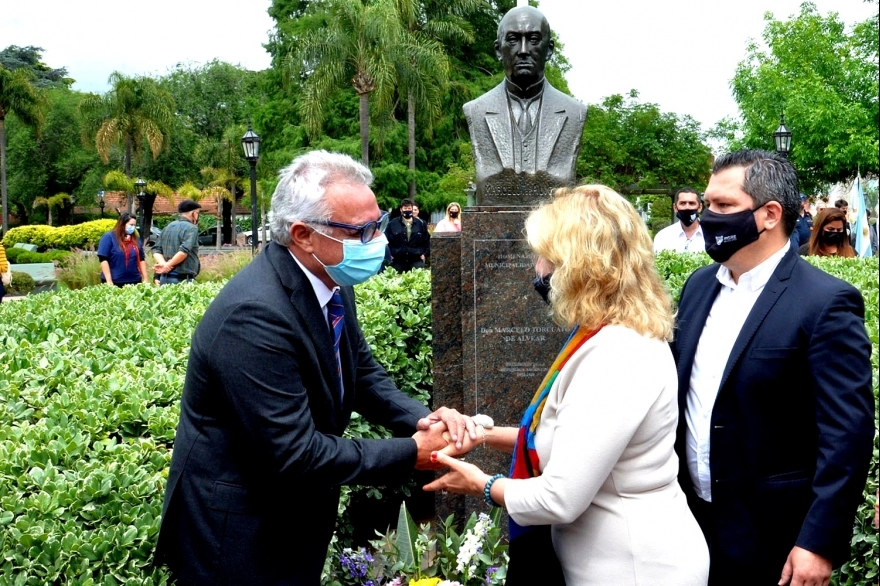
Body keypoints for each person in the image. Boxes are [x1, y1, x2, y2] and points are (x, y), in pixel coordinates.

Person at [154, 150, 473, 585]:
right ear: (303, 234)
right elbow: (295, 453)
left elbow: (362, 376)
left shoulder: (331, 279)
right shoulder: (254, 316)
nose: (376, 240)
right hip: (239, 535)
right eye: (361, 231)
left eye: (377, 225)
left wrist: (424, 418)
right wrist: (412, 452)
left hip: (296, 517)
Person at [426, 185, 710, 586]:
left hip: (635, 568)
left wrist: (481, 484)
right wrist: (484, 435)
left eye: (546, 256)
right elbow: (567, 439)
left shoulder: (618, 354)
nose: (539, 268)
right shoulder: (606, 333)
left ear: (577, 266)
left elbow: (559, 498)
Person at [672, 149, 873, 585]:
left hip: (775, 539)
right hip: (687, 524)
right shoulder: (697, 287)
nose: (707, 216)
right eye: (707, 204)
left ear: (769, 214)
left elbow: (847, 435)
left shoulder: (825, 303)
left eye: (723, 206)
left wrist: (817, 543)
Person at [463, 6, 587, 204]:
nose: (523, 50)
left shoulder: (575, 111)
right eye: (513, 40)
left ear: (549, 49)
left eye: (533, 39)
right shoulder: (476, 110)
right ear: (498, 50)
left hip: (555, 224)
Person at [153, 200, 201, 284]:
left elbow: (156, 250)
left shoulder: (168, 226)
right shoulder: (192, 228)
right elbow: (183, 251)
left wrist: (163, 264)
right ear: (193, 213)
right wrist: (167, 265)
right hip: (182, 279)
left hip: (164, 277)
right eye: (198, 213)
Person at [97, 212, 149, 287]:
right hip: (115, 280)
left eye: (134, 225)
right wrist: (109, 281)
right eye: (131, 225)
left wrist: (145, 278)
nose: (133, 227)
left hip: (134, 280)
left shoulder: (135, 239)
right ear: (122, 224)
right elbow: (103, 259)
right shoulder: (109, 237)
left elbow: (141, 259)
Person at [653, 187, 705, 253]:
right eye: (682, 203)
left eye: (691, 203)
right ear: (675, 207)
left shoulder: (711, 235)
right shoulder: (663, 236)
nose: (687, 207)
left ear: (700, 207)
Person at [386, 198, 430, 272]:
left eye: (409, 208)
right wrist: (389, 254)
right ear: (401, 209)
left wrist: (425, 254)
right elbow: (386, 240)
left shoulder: (420, 224)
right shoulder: (392, 223)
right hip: (397, 261)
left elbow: (427, 240)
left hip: (416, 260)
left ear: (412, 209)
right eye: (405, 208)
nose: (407, 210)